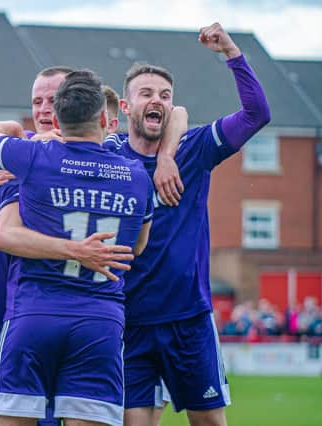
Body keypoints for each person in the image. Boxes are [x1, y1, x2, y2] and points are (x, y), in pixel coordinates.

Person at [0, 69, 154, 426]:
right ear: (103, 118)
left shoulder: (34, 158)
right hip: (100, 322)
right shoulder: (137, 175)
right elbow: (138, 246)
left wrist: (20, 133)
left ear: (54, 118)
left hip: (33, 315)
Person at [107, 23, 271, 426]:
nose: (156, 101)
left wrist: (230, 52)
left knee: (211, 423)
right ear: (126, 108)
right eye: (145, 93)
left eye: (164, 95)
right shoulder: (108, 156)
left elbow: (257, 114)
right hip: (129, 321)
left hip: (188, 320)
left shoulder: (195, 149)